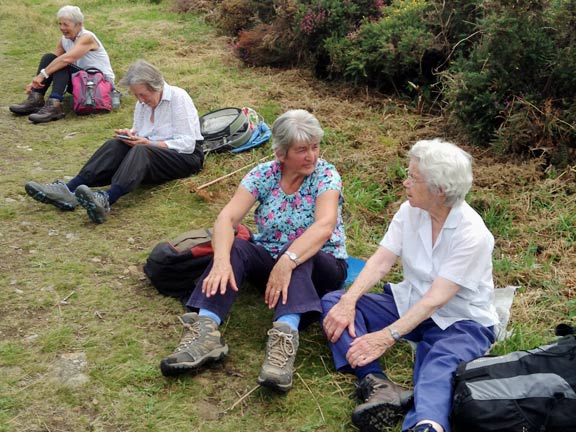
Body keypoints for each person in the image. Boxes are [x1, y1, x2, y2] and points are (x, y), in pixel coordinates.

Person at [159, 109, 348, 393]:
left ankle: (284, 339)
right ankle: (206, 330)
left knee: (295, 249)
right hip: (273, 260)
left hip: (322, 265)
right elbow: (226, 219)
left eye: (315, 146)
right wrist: (221, 261)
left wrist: (288, 260)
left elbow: (324, 226)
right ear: (282, 153)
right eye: (302, 149)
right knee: (235, 245)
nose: (311, 155)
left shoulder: (326, 175)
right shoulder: (264, 175)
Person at [322, 139, 499, 432]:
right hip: (411, 301)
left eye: (413, 178)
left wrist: (387, 336)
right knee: (335, 304)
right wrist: (349, 300)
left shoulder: (473, 234)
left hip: (460, 319)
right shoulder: (410, 211)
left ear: (439, 190)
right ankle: (377, 384)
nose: (405, 182)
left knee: (437, 366)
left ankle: (427, 425)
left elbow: (437, 299)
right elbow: (380, 262)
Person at [24, 60, 204, 224]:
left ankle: (107, 199)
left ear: (156, 86)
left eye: (143, 95)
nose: (140, 100)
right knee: (116, 145)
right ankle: (69, 190)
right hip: (152, 153)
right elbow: (141, 131)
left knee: (142, 150)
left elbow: (187, 144)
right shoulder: (142, 103)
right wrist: (130, 134)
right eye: (136, 96)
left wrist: (149, 144)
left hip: (185, 158)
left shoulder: (179, 98)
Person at [9, 5, 115, 124]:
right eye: (60, 24)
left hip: (100, 85)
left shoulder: (87, 38)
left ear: (79, 24)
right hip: (83, 82)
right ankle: (36, 99)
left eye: (65, 24)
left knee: (63, 64)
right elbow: (52, 60)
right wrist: (34, 84)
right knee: (49, 57)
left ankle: (55, 105)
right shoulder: (65, 38)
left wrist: (42, 75)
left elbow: (65, 60)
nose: (62, 28)